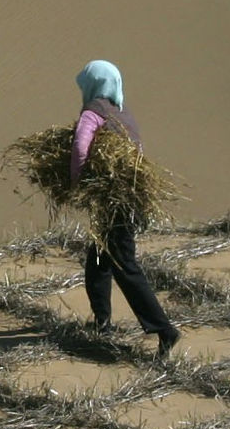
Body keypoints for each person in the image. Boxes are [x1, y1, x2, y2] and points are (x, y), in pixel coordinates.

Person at [70, 59, 179, 360]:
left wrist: (77, 182)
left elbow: (81, 147)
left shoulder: (93, 112)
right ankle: (102, 322)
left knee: (126, 267)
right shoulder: (123, 114)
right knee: (98, 261)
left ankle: (163, 328)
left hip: (114, 202)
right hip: (128, 200)